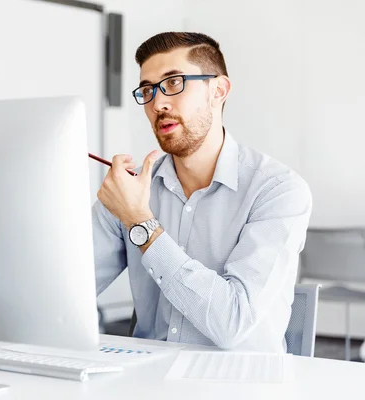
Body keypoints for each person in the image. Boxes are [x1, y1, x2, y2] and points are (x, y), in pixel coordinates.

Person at [93, 32, 312, 353]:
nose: (158, 103)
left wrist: (141, 223)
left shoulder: (279, 190)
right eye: (147, 90)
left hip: (239, 384)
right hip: (144, 379)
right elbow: (68, 291)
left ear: (218, 90)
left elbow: (232, 322)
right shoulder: (131, 189)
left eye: (173, 83)